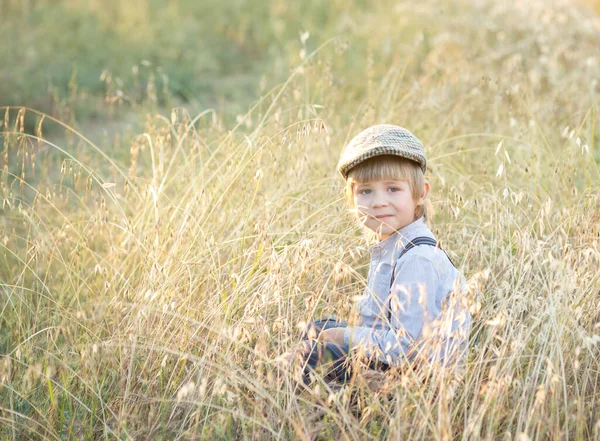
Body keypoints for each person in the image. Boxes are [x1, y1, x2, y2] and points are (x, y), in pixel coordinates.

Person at [285, 124, 471, 388]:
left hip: (420, 380)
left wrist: (344, 335)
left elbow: (408, 348)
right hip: (397, 359)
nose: (378, 201)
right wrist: (343, 332)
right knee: (316, 327)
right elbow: (381, 322)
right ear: (350, 198)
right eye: (365, 191)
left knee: (309, 354)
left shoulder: (417, 257)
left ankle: (357, 403)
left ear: (421, 194)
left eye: (393, 189)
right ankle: (330, 395)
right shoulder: (390, 245)